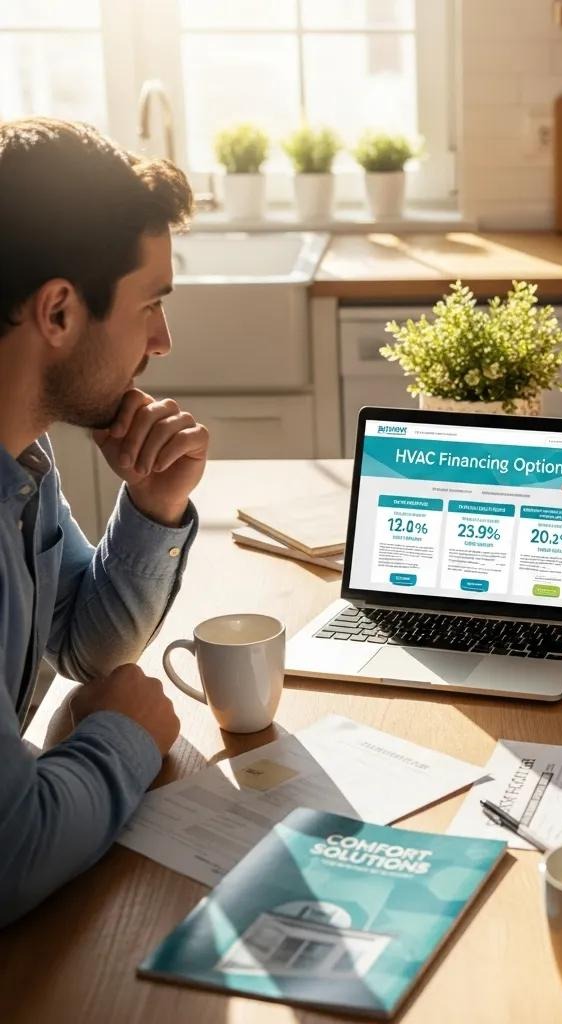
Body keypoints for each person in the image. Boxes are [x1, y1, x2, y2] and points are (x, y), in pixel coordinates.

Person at [0, 118, 210, 924]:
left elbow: (84, 645)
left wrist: (155, 506)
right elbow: (11, 853)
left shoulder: (20, 459)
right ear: (58, 313)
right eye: (150, 303)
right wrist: (125, 735)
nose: (161, 339)